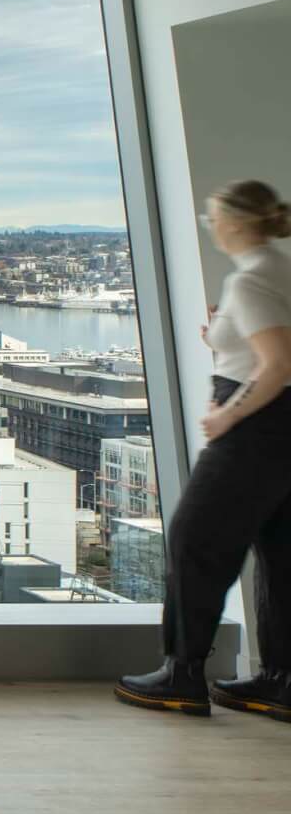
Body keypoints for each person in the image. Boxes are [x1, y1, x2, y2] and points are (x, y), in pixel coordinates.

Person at [118, 179, 291, 718]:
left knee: (195, 541)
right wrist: (222, 335)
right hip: (285, 434)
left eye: (212, 217)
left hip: (255, 430)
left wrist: (227, 414)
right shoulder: (280, 270)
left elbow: (280, 363)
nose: (209, 226)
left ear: (237, 223)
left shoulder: (250, 281)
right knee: (281, 554)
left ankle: (183, 673)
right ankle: (280, 681)